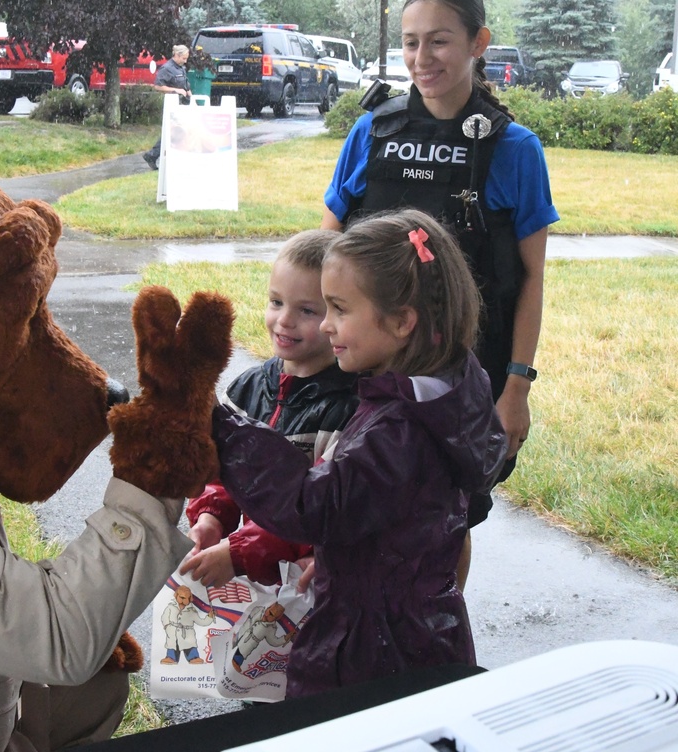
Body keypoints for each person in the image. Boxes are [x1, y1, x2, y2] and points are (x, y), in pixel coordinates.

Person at [212, 209, 508, 698]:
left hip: (371, 647)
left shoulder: (397, 430)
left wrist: (225, 426)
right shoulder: (452, 383)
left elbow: (315, 506)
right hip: (421, 631)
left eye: (339, 309)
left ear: (400, 322)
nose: (327, 326)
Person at [320, 0, 559, 589]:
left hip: (462, 382)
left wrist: (516, 387)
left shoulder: (514, 148)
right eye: (409, 42)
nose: (420, 59)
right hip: (362, 375)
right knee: (343, 509)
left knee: (447, 522)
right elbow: (324, 250)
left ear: (479, 42)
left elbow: (530, 281)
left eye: (439, 42)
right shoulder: (372, 130)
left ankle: (438, 649)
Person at [181, 230, 360, 590]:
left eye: (306, 310)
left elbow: (326, 510)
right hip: (255, 575)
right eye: (276, 302)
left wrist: (238, 553)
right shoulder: (247, 388)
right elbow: (226, 472)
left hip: (312, 578)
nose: (284, 320)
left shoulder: (350, 406)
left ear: (336, 317)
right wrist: (212, 517)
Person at [143, 44, 190, 170]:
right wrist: (176, 90)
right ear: (177, 55)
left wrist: (190, 94)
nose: (185, 61)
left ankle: (154, 155)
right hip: (173, 105)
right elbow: (158, 86)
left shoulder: (181, 68)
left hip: (183, 104)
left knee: (173, 132)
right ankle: (157, 155)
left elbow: (185, 85)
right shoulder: (167, 68)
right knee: (175, 132)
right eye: (184, 58)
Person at [160, 585, 216, 665]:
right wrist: (167, 626)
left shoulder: (192, 611)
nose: (183, 599)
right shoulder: (171, 607)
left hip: (187, 633)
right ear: (176, 595)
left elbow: (201, 622)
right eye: (181, 596)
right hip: (173, 632)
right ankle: (171, 657)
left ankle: (193, 657)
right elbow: (164, 617)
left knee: (190, 646)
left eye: (186, 597)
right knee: (172, 646)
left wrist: (210, 617)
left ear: (190, 599)